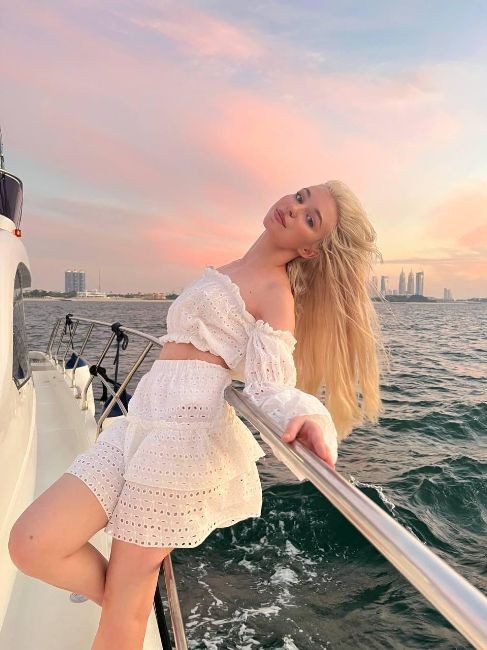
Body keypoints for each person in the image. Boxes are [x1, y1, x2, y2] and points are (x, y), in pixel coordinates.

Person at [8, 180, 386, 649]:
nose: (294, 208)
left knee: (122, 617)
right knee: (32, 543)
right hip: (139, 425)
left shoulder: (276, 293)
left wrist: (306, 415)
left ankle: (127, 608)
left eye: (311, 219)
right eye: (301, 196)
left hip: (181, 447)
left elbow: (271, 386)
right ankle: (127, 603)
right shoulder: (229, 269)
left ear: (310, 250)